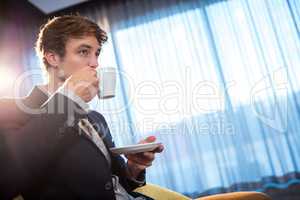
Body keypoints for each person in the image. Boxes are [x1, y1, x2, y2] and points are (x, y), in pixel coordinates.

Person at [0, 15, 164, 199]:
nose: (95, 63)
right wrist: (68, 100)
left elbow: (114, 184)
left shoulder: (95, 118)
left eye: (97, 53)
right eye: (84, 52)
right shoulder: (11, 110)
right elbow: (6, 178)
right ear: (53, 57)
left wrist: (134, 168)